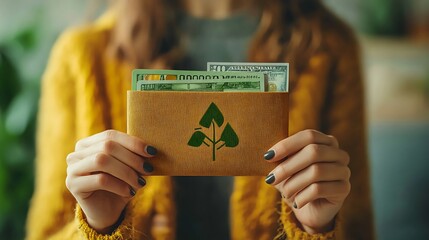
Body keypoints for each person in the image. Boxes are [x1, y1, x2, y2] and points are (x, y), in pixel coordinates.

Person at [26, 0, 374, 239]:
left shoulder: (329, 48)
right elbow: (46, 232)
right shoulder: (82, 56)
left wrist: (317, 228)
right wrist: (99, 226)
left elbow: (356, 227)